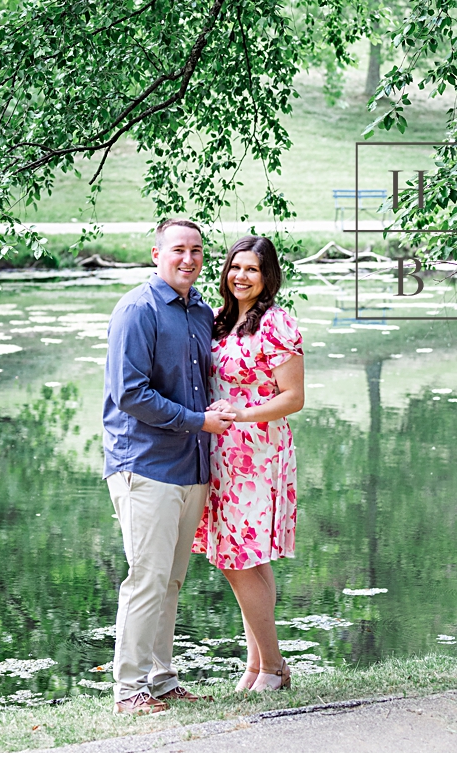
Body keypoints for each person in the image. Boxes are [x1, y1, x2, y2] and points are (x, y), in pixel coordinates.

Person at [102, 218, 237, 715]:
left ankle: (160, 678)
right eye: (178, 250)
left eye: (197, 251)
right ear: (155, 254)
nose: (189, 259)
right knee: (146, 577)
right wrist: (199, 422)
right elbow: (130, 393)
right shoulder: (137, 311)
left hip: (191, 467)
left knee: (172, 579)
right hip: (145, 465)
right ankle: (128, 689)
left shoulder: (200, 311)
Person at [192, 235, 305, 692]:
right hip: (219, 452)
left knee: (240, 559)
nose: (241, 276)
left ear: (268, 276)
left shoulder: (277, 324)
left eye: (252, 269)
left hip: (257, 452)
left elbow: (293, 398)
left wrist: (241, 414)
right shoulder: (218, 320)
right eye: (235, 267)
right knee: (248, 561)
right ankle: (256, 667)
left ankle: (274, 667)